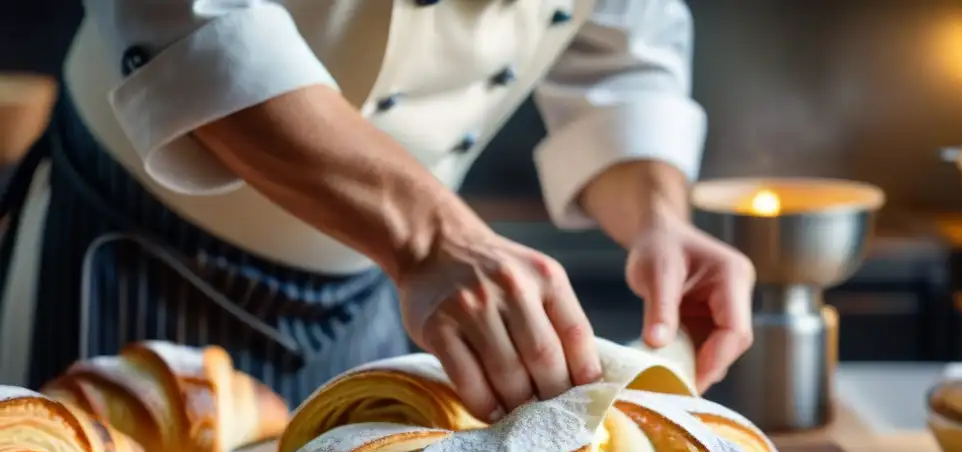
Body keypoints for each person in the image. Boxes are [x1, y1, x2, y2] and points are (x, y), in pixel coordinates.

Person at [0, 0, 755, 418]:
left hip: (393, 283)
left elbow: (618, 52)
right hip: (141, 251)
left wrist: (659, 217)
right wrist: (431, 234)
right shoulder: (431, 244)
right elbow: (195, 27)